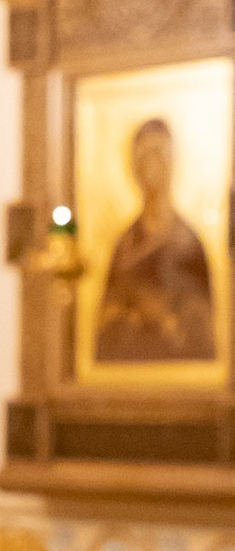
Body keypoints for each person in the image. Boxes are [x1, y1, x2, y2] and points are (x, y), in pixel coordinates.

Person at [92, 114, 219, 364]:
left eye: (158, 155)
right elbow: (105, 326)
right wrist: (136, 316)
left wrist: (169, 317)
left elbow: (203, 327)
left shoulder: (189, 243)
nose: (151, 165)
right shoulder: (125, 244)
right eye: (143, 156)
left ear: (171, 163)